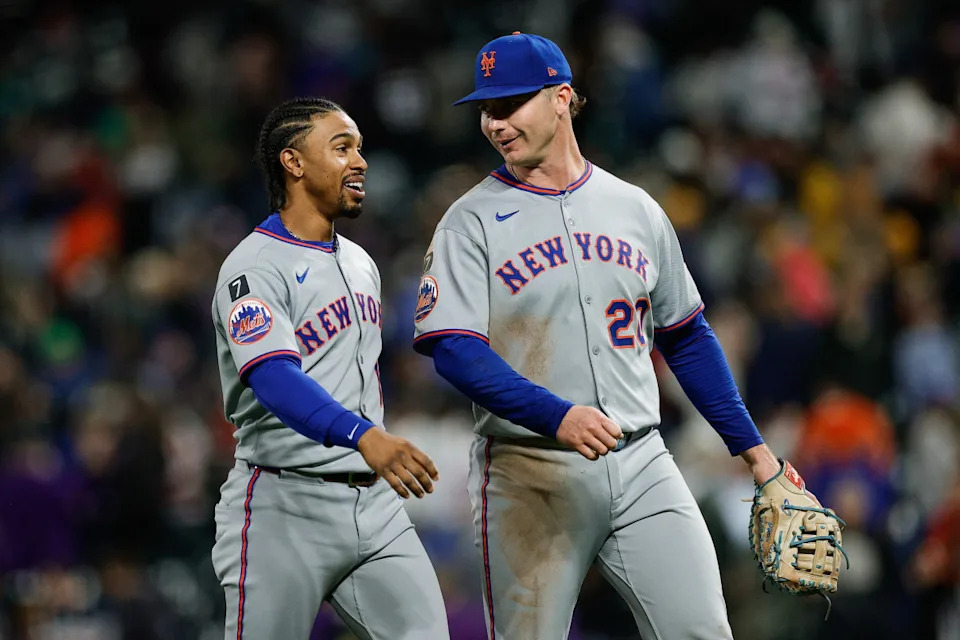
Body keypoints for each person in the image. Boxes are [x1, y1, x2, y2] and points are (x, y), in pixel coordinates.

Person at [413, 33, 808, 639]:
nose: (495, 123)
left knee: (702, 632)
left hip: (641, 459)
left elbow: (687, 336)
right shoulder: (468, 222)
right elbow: (454, 351)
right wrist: (556, 415)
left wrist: (757, 454)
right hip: (528, 469)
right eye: (486, 110)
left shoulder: (636, 208)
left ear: (562, 98)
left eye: (511, 103)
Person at [210, 97, 449, 640]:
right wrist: (363, 435)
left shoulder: (360, 261)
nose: (360, 161)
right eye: (342, 148)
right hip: (283, 506)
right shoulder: (253, 266)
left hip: (375, 505)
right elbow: (272, 377)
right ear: (293, 163)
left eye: (360, 148)